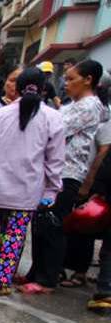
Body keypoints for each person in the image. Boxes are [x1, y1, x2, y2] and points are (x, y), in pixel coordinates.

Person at [0, 69, 64, 297]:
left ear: (18, 87)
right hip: (24, 192)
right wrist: (52, 191)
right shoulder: (53, 118)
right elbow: (55, 161)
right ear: (43, 90)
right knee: (13, 236)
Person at [56, 60, 109, 290]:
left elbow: (56, 129)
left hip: (75, 173)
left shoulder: (90, 107)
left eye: (71, 79)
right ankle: (57, 269)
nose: (65, 84)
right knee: (62, 224)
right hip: (63, 172)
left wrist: (89, 183)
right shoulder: (74, 104)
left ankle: (67, 271)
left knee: (71, 225)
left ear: (88, 80)